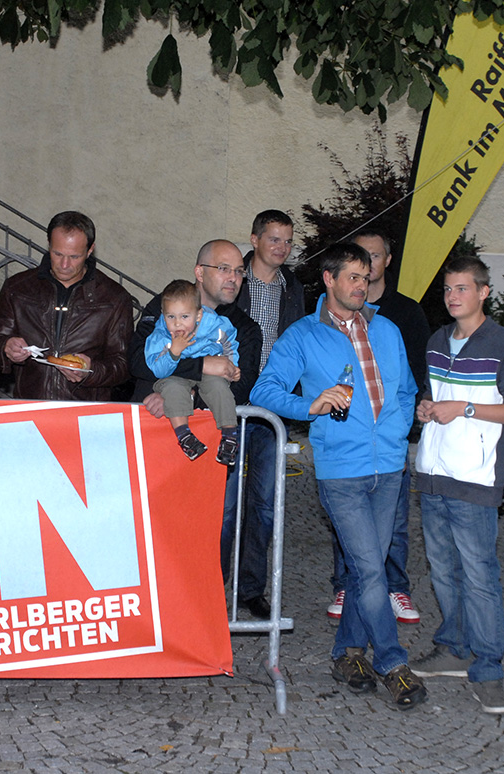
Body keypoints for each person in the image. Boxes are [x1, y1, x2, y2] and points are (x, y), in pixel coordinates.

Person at [251, 242, 426, 709]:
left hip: (389, 468)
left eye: (365, 278)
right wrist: (309, 405)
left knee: (364, 568)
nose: (361, 285)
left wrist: (395, 432)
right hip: (341, 473)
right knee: (370, 569)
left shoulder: (386, 329)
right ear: (328, 279)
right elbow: (264, 389)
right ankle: (392, 662)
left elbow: (406, 389)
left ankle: (347, 653)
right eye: (352, 277)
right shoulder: (303, 335)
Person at [408, 255, 504, 715]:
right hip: (434, 473)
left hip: (476, 479)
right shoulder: (438, 340)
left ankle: (488, 668)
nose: (452, 296)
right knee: (442, 570)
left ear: (483, 292)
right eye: (447, 289)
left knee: (479, 576)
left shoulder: (502, 343)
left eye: (462, 288)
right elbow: (435, 396)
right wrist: (427, 408)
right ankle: (454, 647)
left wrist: (464, 409)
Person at [129, 239, 262, 581]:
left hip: (213, 446)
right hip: (156, 441)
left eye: (239, 271)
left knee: (217, 522)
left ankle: (211, 596)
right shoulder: (165, 306)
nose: (233, 278)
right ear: (199, 272)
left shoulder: (243, 328)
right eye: (224, 269)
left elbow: (241, 385)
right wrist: (202, 366)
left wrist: (186, 392)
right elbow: (138, 361)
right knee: (151, 522)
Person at [327, 228, 429, 624]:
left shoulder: (406, 313)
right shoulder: (337, 311)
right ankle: (346, 584)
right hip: (349, 441)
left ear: (387, 261)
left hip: (389, 440)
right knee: (347, 521)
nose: (367, 264)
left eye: (374, 256)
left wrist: (399, 428)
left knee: (395, 522)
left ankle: (396, 587)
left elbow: (414, 376)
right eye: (359, 257)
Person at [0, 211, 133, 401]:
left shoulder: (114, 298)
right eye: (57, 253)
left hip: (86, 411)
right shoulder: (18, 289)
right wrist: (5, 348)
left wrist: (91, 370)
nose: (64, 265)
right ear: (49, 245)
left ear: (90, 250)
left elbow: (124, 365)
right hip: (31, 406)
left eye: (74, 256)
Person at [236, 209, 306, 619]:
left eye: (288, 241)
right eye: (274, 239)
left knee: (263, 505)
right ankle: (211, 583)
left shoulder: (293, 289)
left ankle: (250, 589)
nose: (282, 247)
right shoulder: (234, 277)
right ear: (255, 239)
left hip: (271, 410)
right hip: (228, 404)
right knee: (224, 505)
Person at [144, 278, 240, 463]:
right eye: (171, 317)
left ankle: (230, 435)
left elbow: (229, 342)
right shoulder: (160, 335)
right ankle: (184, 436)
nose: (177, 324)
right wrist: (173, 353)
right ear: (163, 315)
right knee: (172, 389)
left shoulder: (213, 325)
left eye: (184, 317)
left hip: (208, 372)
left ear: (198, 315)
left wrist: (231, 365)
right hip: (176, 375)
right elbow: (157, 370)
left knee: (219, 387)